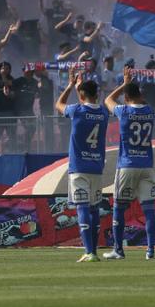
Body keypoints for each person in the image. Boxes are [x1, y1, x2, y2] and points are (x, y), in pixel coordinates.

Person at [103, 66, 155, 260]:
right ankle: (150, 251)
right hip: (147, 166)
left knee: (119, 207)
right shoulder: (150, 111)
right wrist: (132, 88)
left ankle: (118, 250)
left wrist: (124, 84)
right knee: (149, 209)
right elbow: (142, 102)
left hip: (127, 165)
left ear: (126, 98)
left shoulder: (124, 111)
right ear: (141, 96)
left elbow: (108, 100)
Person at [55, 69, 108, 262]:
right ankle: (93, 251)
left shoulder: (76, 111)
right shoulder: (103, 113)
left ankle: (89, 252)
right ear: (97, 94)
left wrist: (70, 85)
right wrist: (80, 88)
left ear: (81, 95)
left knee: (82, 208)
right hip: (97, 168)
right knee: (94, 209)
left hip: (78, 168)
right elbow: (88, 100)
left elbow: (58, 104)